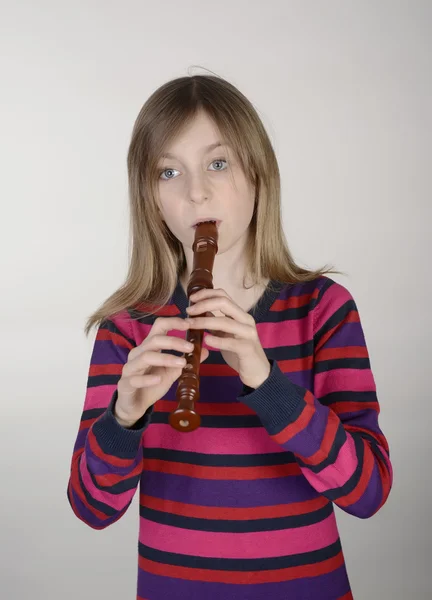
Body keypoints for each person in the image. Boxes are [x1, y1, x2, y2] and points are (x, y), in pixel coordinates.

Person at [67, 72, 393, 600]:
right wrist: (124, 417)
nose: (196, 192)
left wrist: (267, 382)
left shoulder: (323, 309)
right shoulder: (129, 328)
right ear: (150, 199)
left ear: (259, 174)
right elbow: (93, 509)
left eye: (218, 163)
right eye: (168, 172)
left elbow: (368, 492)